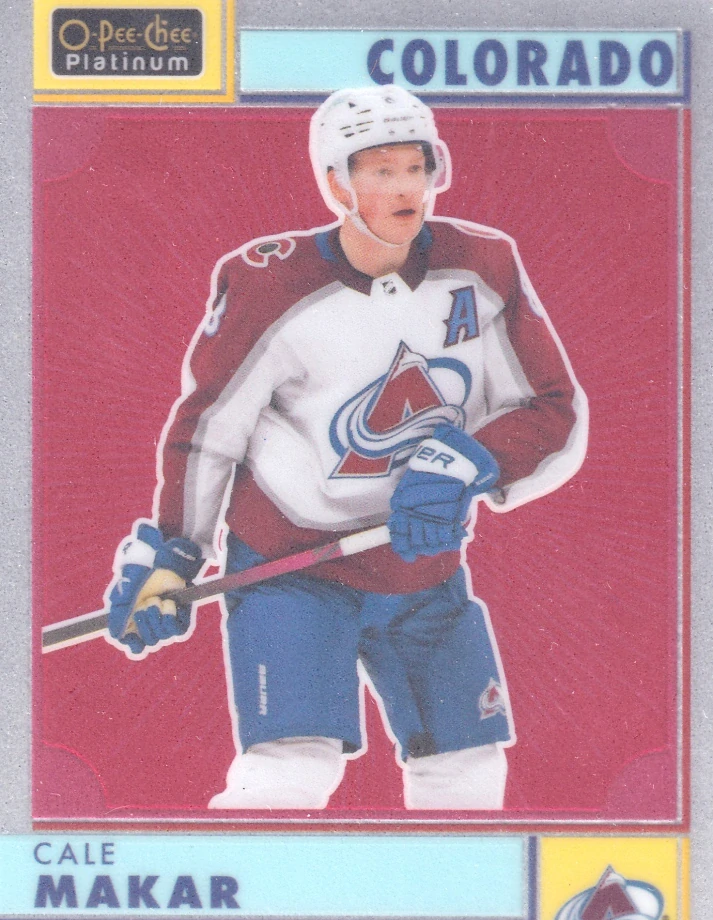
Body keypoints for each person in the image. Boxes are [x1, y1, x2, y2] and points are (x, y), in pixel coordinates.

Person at [106, 85, 588, 811]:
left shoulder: (482, 264)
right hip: (293, 567)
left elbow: (552, 408)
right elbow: (210, 430)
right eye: (380, 170)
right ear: (336, 183)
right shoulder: (270, 283)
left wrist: (465, 460)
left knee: (467, 773)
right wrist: (174, 552)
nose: (404, 188)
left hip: (422, 568)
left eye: (416, 168)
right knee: (289, 775)